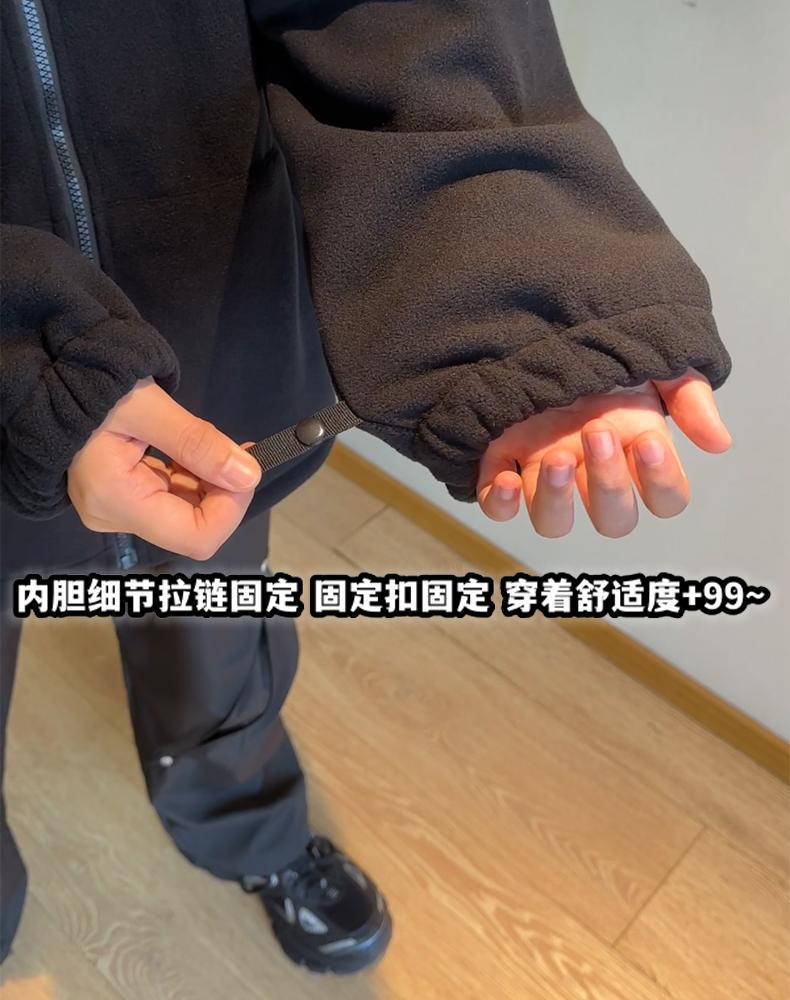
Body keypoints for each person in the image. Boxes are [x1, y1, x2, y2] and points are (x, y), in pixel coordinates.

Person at [0, 0, 732, 975]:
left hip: (214, 355)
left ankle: (251, 830)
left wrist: (515, 279)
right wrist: (23, 358)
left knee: (220, 637)